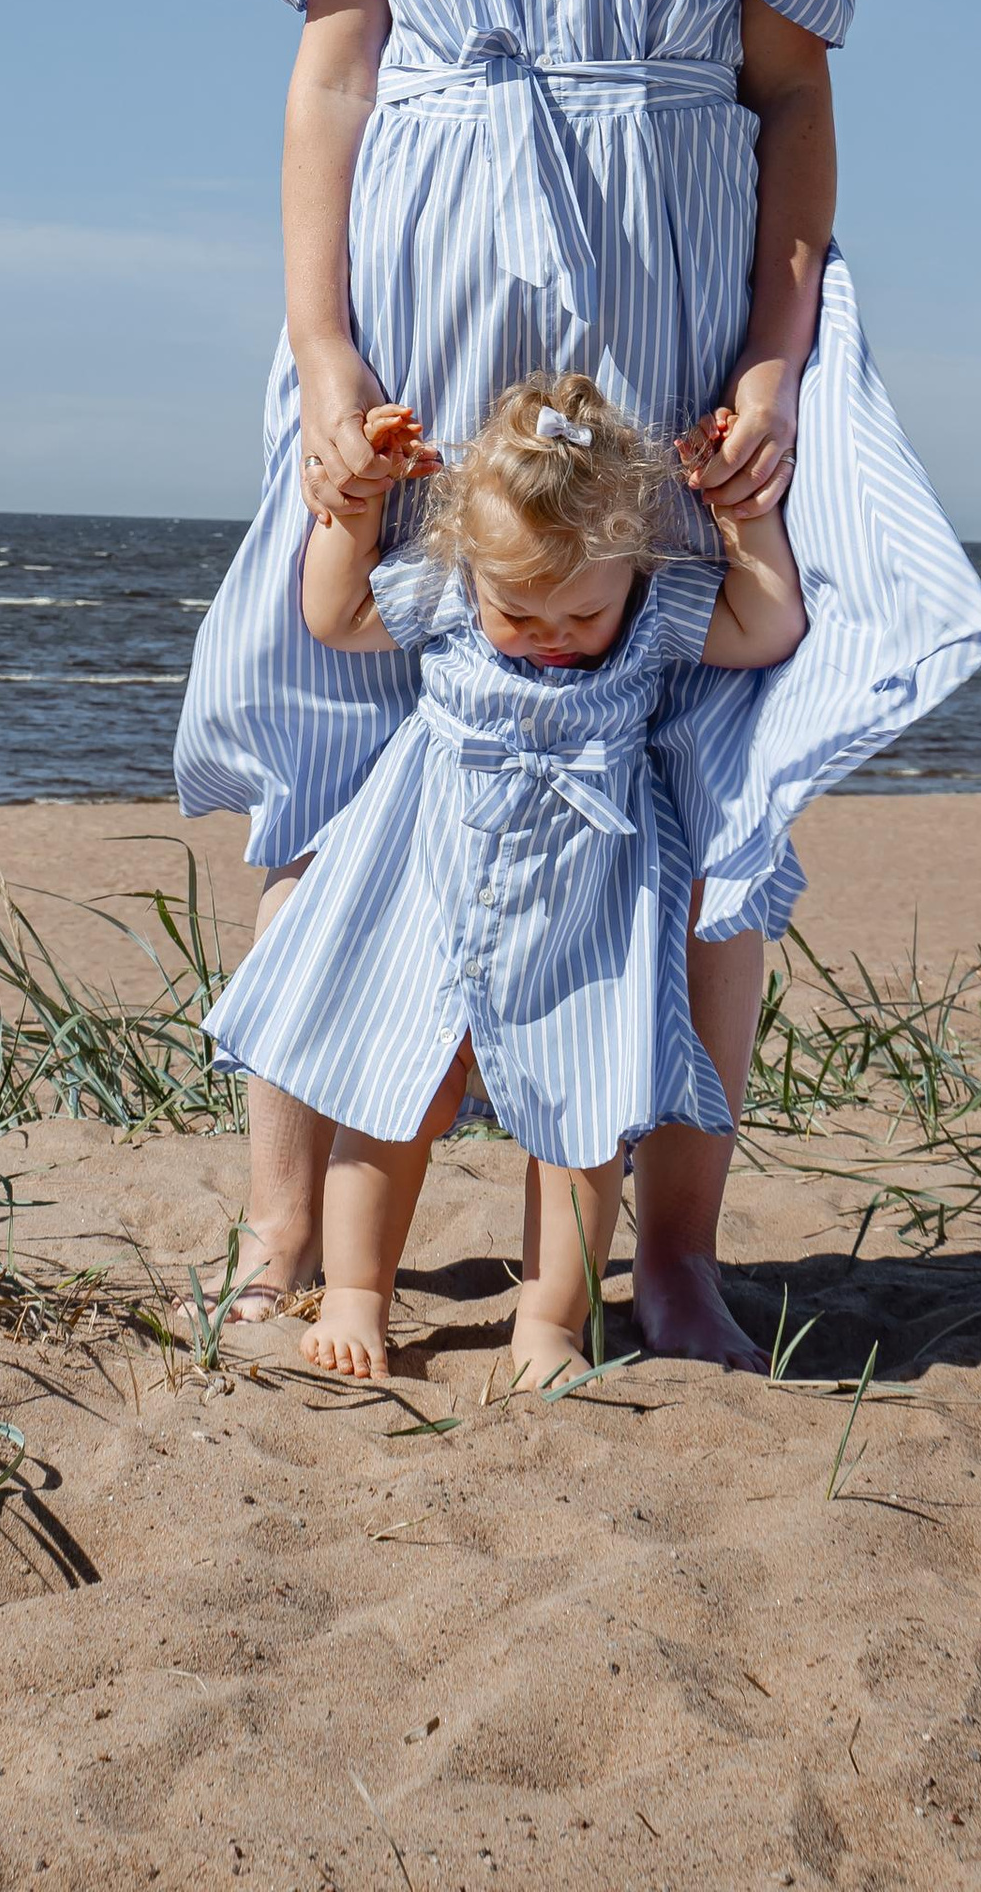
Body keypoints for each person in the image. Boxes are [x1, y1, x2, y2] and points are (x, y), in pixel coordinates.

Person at [173, 0, 981, 1360]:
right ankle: (282, 1232)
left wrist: (778, 358)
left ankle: (674, 1254)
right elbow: (330, 84)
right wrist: (318, 355)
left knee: (697, 772)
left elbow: (787, 93)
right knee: (344, 733)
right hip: (414, 333)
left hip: (668, 330)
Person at [206, 374, 808, 1387]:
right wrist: (352, 511)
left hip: (585, 914)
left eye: (580, 611)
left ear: (628, 572)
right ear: (473, 570)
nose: (550, 636)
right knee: (393, 1089)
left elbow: (766, 627)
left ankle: (550, 1323)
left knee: (581, 1120)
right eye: (516, 613)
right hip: (429, 895)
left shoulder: (654, 618)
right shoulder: (448, 588)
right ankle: (357, 1292)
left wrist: (737, 513)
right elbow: (334, 612)